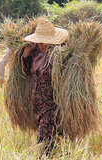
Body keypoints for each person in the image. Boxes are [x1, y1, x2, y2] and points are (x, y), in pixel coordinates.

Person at [21, 18, 69, 153]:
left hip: (51, 104)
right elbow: (27, 72)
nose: (41, 45)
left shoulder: (57, 55)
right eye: (39, 42)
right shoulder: (36, 53)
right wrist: (26, 54)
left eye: (44, 42)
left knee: (43, 141)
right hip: (37, 105)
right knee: (53, 137)